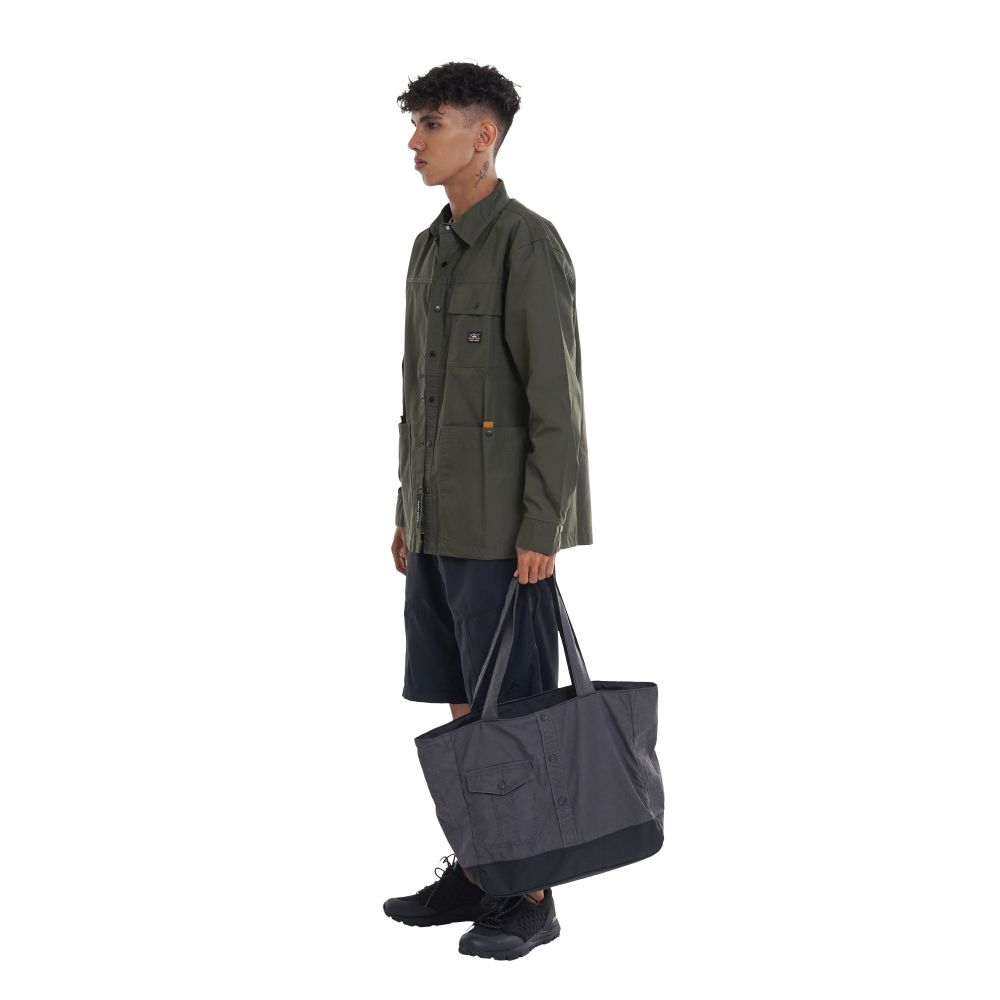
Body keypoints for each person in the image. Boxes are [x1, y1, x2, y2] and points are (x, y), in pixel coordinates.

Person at [383, 61, 593, 961]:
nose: (414, 141)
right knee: (464, 710)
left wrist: (543, 525)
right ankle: (479, 870)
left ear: (484, 135)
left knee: (513, 713)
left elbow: (557, 402)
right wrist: (407, 507)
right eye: (415, 125)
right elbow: (419, 394)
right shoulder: (429, 248)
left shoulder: (526, 244)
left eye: (431, 124)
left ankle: (531, 896)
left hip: (504, 535)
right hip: (439, 525)